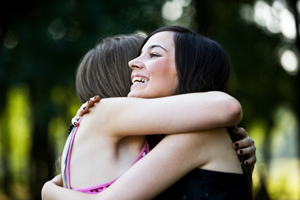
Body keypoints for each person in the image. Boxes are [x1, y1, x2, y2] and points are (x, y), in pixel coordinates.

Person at [42, 26, 256, 199]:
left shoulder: (193, 139)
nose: (134, 64)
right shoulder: (106, 111)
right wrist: (49, 191)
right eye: (139, 54)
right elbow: (228, 107)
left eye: (153, 55)